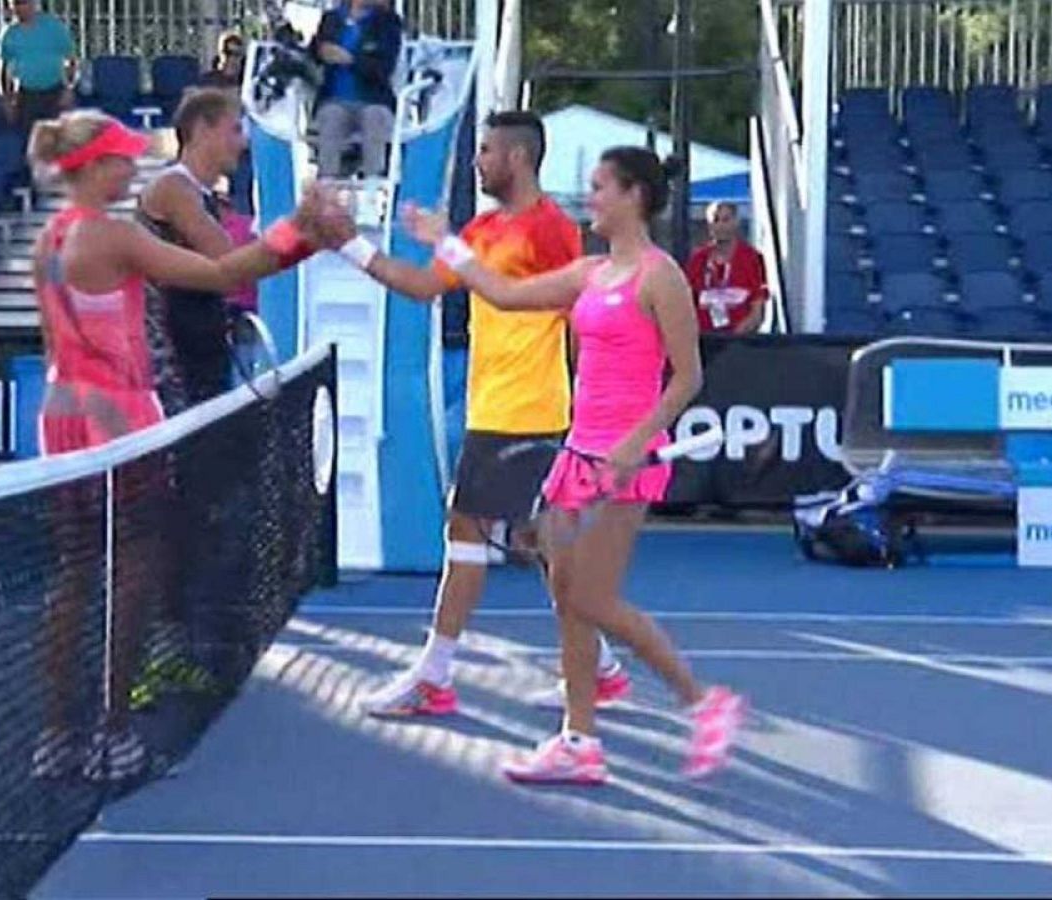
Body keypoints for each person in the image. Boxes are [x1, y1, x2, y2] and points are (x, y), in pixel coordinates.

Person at [402, 146, 745, 784]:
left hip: (625, 463)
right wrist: (445, 242)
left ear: (633, 196)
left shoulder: (660, 275)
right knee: (566, 597)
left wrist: (637, 440)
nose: (590, 199)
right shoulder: (589, 272)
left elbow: (688, 376)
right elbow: (502, 293)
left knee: (592, 596)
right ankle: (578, 740)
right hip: (578, 455)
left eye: (599, 187)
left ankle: (704, 702)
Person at [26, 109, 339, 782]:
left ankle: (55, 734)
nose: (131, 169)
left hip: (60, 416)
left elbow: (56, 344)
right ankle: (111, 732)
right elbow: (226, 274)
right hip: (120, 419)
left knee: (76, 574)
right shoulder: (115, 237)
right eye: (120, 160)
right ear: (96, 167)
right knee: (133, 572)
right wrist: (303, 235)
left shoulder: (47, 239)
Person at [327, 111, 632, 718]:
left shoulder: (550, 230)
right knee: (541, 543)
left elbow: (543, 308)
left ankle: (434, 676)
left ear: (517, 159)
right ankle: (599, 667)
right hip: (494, 406)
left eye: (487, 150)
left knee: (465, 530)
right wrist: (347, 243)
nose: (478, 160)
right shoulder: (485, 226)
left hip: (527, 412)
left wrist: (592, 409)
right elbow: (422, 286)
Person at [137, 87, 254, 413]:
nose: (243, 142)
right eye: (234, 129)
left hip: (201, 352)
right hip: (172, 363)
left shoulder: (204, 196)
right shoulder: (174, 188)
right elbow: (229, 263)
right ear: (203, 129)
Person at [310, 0, 401, 178]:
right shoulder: (332, 19)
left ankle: (373, 186)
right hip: (334, 98)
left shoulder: (388, 22)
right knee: (331, 116)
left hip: (374, 99)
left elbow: (384, 67)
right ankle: (327, 184)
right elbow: (312, 54)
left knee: (374, 117)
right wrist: (320, 52)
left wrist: (350, 59)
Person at [684, 201, 767, 334]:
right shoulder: (698, 259)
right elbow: (686, 304)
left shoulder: (752, 258)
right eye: (715, 220)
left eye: (726, 220)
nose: (720, 226)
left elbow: (757, 310)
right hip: (704, 340)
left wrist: (735, 337)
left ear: (736, 222)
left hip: (740, 343)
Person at [0, 0, 77, 133]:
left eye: (23, 3)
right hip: (26, 96)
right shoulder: (9, 34)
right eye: (15, 3)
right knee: (31, 141)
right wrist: (6, 99)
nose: (20, 8)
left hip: (54, 92)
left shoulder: (54, 27)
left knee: (59, 141)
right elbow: (2, 70)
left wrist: (69, 88)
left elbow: (72, 59)